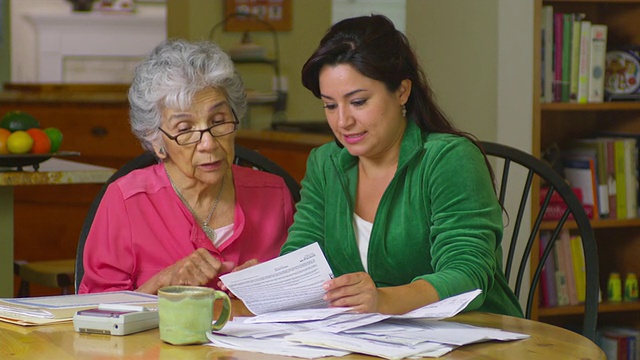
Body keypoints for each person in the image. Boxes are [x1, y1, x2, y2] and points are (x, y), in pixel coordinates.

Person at [280, 15, 523, 317]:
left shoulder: (449, 159)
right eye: (330, 105)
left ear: (402, 91)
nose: (342, 121)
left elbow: (468, 274)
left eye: (358, 102)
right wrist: (273, 281)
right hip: (371, 341)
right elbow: (301, 259)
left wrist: (383, 300)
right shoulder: (325, 163)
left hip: (471, 336)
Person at [79, 39, 295, 294]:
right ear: (157, 142)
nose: (208, 142)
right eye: (185, 129)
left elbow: (307, 291)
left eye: (218, 121)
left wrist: (272, 286)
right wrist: (162, 282)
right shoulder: (126, 201)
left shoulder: (274, 195)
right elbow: (95, 311)